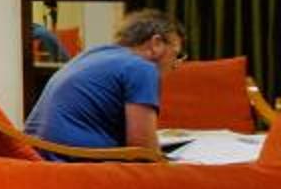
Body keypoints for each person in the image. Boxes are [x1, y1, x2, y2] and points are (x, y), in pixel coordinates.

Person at [23, 8, 185, 153]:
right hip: (73, 163)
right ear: (156, 44)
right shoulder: (142, 68)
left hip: (39, 157)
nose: (176, 65)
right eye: (176, 54)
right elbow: (143, 149)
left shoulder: (92, 54)